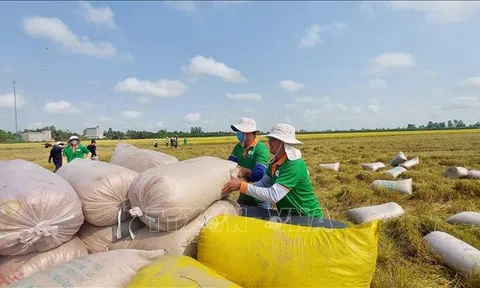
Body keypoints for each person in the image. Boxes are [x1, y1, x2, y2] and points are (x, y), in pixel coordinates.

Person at [222, 123, 341, 228]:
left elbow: (274, 195)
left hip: (307, 217)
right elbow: (264, 183)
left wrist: (242, 186)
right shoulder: (274, 162)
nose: (269, 142)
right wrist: (244, 185)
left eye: (273, 139)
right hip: (287, 214)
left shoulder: (294, 165)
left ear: (283, 143)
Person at [226, 118, 270, 209]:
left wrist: (247, 171)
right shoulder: (238, 147)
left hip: (259, 200)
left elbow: (259, 175)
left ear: (249, 132)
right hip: (243, 196)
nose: (238, 134)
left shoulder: (261, 149)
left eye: (240, 131)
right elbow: (229, 164)